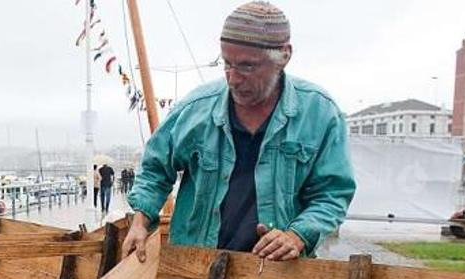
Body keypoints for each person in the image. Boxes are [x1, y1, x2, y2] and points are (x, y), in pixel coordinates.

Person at [124, 1, 355, 262]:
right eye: (227, 64)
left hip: (280, 273)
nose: (233, 78)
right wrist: (141, 221)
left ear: (284, 55)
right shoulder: (194, 111)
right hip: (195, 265)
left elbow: (332, 194)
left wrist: (297, 235)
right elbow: (156, 169)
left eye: (247, 66)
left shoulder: (321, 114)